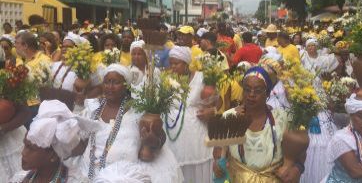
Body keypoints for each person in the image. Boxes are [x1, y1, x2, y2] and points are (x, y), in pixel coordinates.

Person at [67, 64, 183, 182]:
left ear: (126, 86)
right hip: (89, 172)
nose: (110, 87)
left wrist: (152, 140)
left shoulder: (137, 110)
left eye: (115, 82)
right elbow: (81, 139)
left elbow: (160, 137)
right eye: (107, 82)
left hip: (127, 175)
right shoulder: (93, 108)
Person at [213, 63, 305, 182]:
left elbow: (300, 152)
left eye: (258, 90)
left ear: (267, 93)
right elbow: (217, 151)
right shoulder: (229, 117)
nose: (251, 94)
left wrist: (297, 169)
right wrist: (218, 162)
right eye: (247, 89)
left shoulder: (282, 118)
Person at [10, 100, 101, 183]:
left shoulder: (76, 180)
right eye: (25, 146)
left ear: (53, 155)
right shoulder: (20, 179)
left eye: (31, 148)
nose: (23, 153)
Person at [165, 46, 216, 183]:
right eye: (171, 63)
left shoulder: (201, 78)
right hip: (172, 137)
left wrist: (212, 110)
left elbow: (217, 101)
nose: (173, 67)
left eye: (176, 63)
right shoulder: (167, 79)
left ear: (186, 63)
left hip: (196, 135)